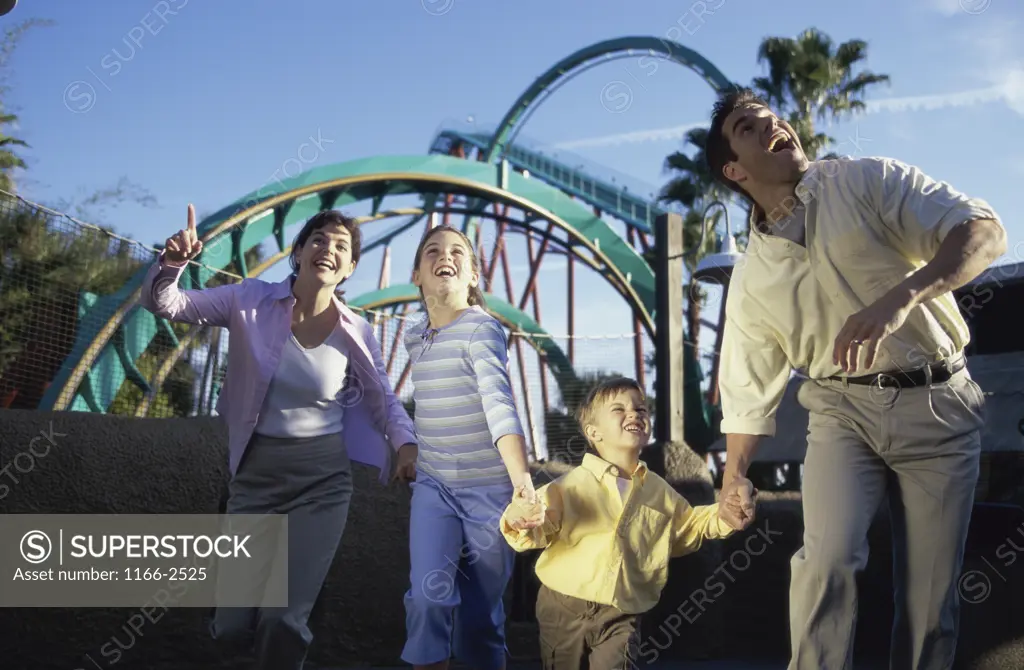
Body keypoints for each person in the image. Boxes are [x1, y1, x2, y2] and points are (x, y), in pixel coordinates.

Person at [705, 88, 1007, 669]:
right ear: (734, 170)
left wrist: (902, 296)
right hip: (841, 413)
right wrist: (734, 476)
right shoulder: (751, 279)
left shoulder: (866, 180)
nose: (773, 122)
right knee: (825, 564)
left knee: (929, 603)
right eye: (749, 125)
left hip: (940, 402)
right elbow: (748, 387)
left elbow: (985, 232)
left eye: (771, 113)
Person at [138, 206, 418, 670]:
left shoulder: (356, 331)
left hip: (322, 484)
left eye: (341, 247)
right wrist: (172, 265)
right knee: (229, 627)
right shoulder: (247, 300)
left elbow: (383, 398)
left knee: (283, 620)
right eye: (319, 239)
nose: (328, 249)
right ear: (300, 251)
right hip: (255, 481)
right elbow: (167, 304)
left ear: (350, 268)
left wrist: (406, 445)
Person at [500, 377, 747, 669]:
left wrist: (724, 515)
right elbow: (535, 523)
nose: (635, 413)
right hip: (563, 606)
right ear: (594, 432)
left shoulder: (659, 492)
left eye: (641, 409)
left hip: (623, 611)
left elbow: (690, 526)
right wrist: (519, 519)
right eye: (619, 409)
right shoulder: (568, 486)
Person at [400, 224, 534, 670]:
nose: (447, 256)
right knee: (427, 599)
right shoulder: (414, 338)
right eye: (433, 250)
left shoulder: (483, 329)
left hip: (490, 491)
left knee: (480, 620)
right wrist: (407, 446)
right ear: (417, 274)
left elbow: (499, 404)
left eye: (459, 251)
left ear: (473, 276)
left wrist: (522, 483)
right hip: (434, 488)